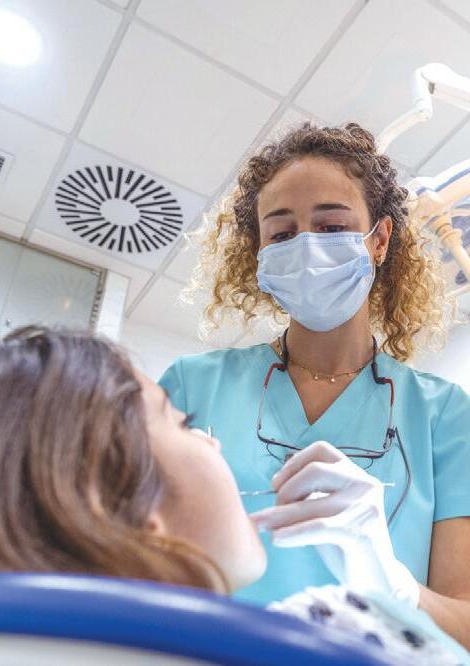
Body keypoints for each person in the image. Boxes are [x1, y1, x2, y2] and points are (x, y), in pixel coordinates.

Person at [0, 327, 465, 664]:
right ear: (126, 507)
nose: (212, 438)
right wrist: (387, 604)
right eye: (183, 424)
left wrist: (399, 586)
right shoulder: (342, 624)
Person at [159, 122, 470, 648]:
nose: (306, 248)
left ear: (379, 240)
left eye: (331, 227)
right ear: (259, 254)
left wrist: (396, 587)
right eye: (282, 234)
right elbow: (127, 555)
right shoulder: (192, 387)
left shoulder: (445, 415)